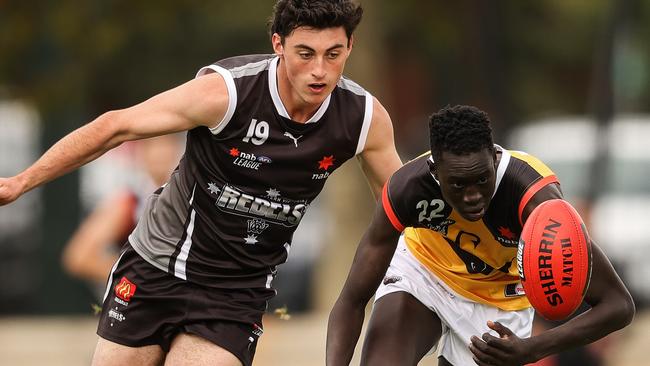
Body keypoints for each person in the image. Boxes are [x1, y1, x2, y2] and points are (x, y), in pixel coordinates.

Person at [0, 1, 403, 365]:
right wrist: (21, 182)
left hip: (236, 290)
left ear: (349, 47)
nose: (320, 70)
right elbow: (115, 126)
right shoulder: (227, 93)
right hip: (157, 264)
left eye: (333, 55)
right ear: (278, 44)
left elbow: (401, 208)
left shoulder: (363, 118)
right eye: (305, 53)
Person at [326, 105, 635, 366]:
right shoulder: (407, 189)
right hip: (425, 273)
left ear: (494, 156)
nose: (473, 196)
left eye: (482, 180)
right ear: (436, 171)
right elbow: (351, 300)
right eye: (458, 185)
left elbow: (618, 305)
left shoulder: (535, 199)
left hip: (501, 300)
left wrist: (532, 348)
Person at [61, 134, 183, 298]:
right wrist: (141, 278)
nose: (160, 154)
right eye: (153, 146)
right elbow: (78, 257)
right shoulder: (130, 202)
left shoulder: (189, 197)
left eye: (166, 145)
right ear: (141, 153)